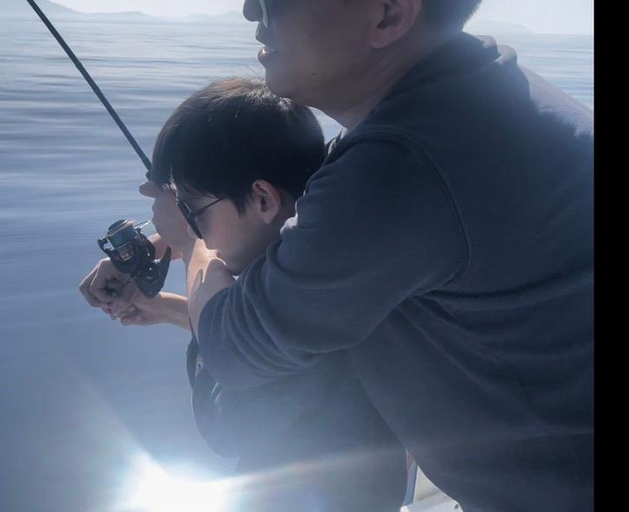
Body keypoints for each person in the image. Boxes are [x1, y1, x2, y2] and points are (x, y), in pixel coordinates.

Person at [105, 1, 593, 510]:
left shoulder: (400, 168)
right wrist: (166, 243)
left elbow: (234, 348)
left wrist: (189, 239)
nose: (251, 10)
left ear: (387, 14)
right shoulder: (467, 100)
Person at [81, 77, 407, 511]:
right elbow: (242, 333)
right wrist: (167, 303)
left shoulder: (299, 304)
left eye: (194, 213)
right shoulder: (333, 243)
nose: (195, 231)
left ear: (264, 200)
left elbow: (228, 424)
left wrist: (188, 243)